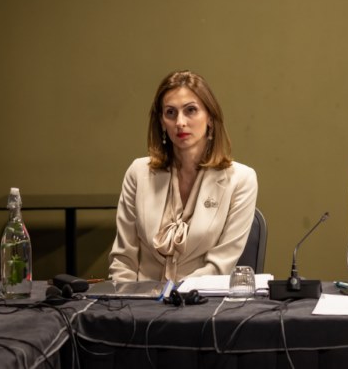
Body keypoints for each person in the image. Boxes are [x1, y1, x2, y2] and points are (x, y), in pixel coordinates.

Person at [109, 70, 258, 283]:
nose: (180, 122)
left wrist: (174, 295)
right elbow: (123, 261)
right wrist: (125, 299)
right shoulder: (138, 173)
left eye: (191, 110)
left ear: (210, 118)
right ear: (162, 122)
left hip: (201, 299)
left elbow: (219, 267)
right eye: (170, 113)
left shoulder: (241, 180)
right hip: (140, 300)